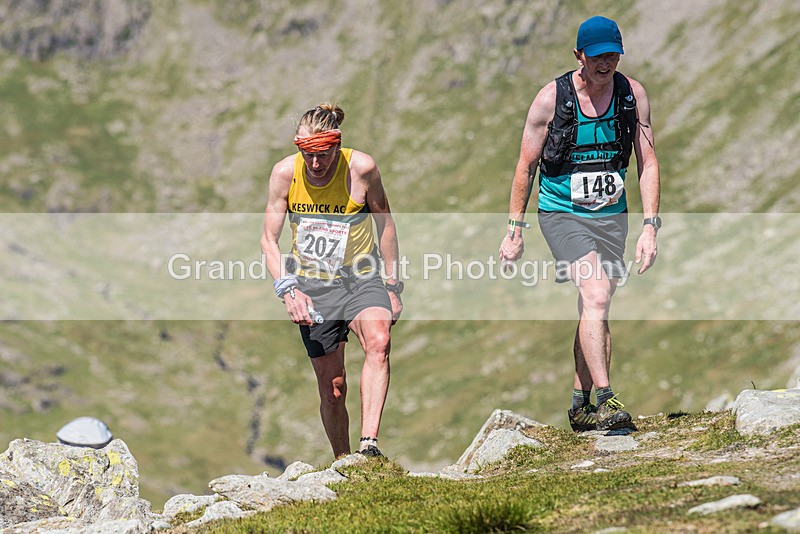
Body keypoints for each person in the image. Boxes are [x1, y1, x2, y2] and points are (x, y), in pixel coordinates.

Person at [499, 16, 660, 431]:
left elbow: (648, 162)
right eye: (597, 57)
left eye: (613, 55)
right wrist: (515, 231)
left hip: (612, 215)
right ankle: (607, 400)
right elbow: (525, 166)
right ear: (579, 56)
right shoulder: (551, 99)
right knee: (595, 291)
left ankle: (580, 405)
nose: (606, 64)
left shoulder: (632, 95)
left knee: (596, 305)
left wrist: (650, 227)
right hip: (561, 213)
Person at [261, 103, 403, 458]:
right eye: (307, 154)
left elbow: (384, 222)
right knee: (333, 388)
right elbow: (268, 240)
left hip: (361, 277)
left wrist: (393, 284)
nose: (315, 164)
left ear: (337, 147)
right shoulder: (284, 174)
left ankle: (369, 447)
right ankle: (344, 461)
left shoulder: (362, 169)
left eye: (322, 155)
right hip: (311, 286)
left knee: (379, 341)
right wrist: (288, 290)